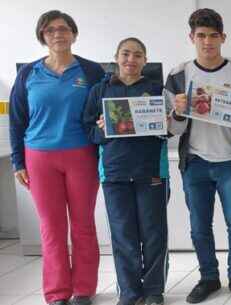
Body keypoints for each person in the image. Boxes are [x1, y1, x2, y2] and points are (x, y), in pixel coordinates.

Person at [165, 8, 231, 303]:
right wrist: (177, 112)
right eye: (201, 36)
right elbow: (170, 128)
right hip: (194, 162)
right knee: (199, 225)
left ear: (223, 37)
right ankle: (209, 277)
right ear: (191, 37)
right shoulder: (178, 76)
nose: (207, 42)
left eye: (213, 36)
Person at [9, 10, 104, 305]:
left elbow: (107, 111)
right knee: (51, 229)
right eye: (50, 30)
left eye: (63, 29)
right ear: (42, 36)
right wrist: (17, 161)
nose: (57, 34)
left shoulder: (91, 72)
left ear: (74, 34)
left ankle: (84, 290)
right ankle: (57, 293)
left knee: (83, 225)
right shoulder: (28, 73)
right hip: (39, 158)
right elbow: (16, 119)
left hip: (81, 156)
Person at [82, 37, 169, 305]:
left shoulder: (157, 90)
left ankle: (154, 291)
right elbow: (88, 131)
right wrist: (102, 129)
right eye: (126, 54)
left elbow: (170, 131)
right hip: (114, 173)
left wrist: (164, 123)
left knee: (154, 234)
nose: (131, 59)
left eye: (138, 55)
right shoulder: (100, 90)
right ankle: (130, 292)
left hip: (151, 171)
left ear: (145, 60)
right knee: (123, 236)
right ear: (116, 57)